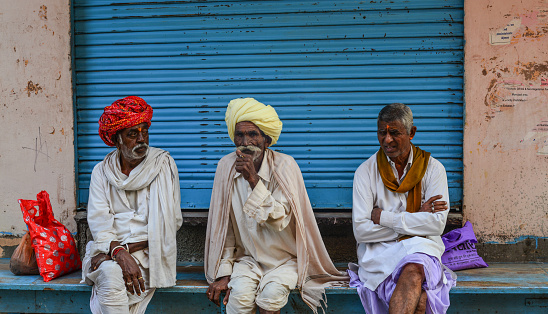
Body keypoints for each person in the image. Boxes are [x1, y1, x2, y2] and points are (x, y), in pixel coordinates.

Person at [205, 98, 348, 314]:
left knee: (270, 299)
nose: (246, 141)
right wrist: (224, 271)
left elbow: (279, 219)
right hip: (248, 260)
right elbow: (225, 227)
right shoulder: (226, 167)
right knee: (238, 301)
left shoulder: (285, 166)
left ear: (267, 140)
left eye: (253, 134)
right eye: (240, 135)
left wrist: (254, 181)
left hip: (286, 260)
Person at [350, 103, 456, 314]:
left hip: (422, 249)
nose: (387, 140)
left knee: (413, 269)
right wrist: (417, 219)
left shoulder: (433, 169)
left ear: (412, 133)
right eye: (382, 133)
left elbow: (436, 225)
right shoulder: (365, 172)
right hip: (378, 253)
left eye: (394, 133)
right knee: (421, 301)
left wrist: (384, 218)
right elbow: (361, 231)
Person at [81, 96, 182, 314]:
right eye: (132, 134)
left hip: (149, 256)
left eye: (144, 131)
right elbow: (99, 223)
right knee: (108, 273)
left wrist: (123, 251)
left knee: (110, 280)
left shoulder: (162, 164)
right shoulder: (101, 171)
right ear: (117, 139)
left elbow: (170, 223)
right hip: (106, 252)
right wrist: (116, 251)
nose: (141, 140)